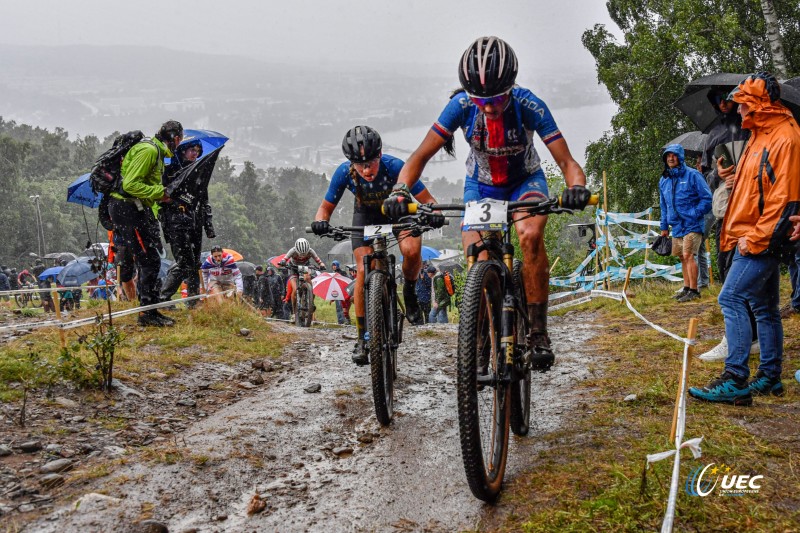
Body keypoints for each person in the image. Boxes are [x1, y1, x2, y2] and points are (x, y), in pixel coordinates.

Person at [383, 36, 591, 371]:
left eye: (496, 98)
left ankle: (538, 331)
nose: (489, 106)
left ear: (511, 86)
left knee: (529, 235)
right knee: (476, 255)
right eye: (481, 100)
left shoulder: (529, 104)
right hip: (480, 186)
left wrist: (576, 187)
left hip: (525, 180)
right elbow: (420, 156)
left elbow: (566, 161)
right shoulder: (462, 106)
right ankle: (476, 336)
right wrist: (399, 191)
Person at [689, 73, 800, 405]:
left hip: (762, 236)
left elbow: (785, 198)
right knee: (764, 307)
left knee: (731, 299)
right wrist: (729, 179)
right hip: (747, 231)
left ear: (759, 103)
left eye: (742, 104)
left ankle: (735, 376)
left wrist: (755, 238)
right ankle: (769, 377)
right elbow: (759, 187)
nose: (737, 111)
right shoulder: (759, 135)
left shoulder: (786, 137)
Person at [311, 125, 442, 365]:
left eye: (371, 162)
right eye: (359, 164)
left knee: (412, 251)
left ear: (380, 155)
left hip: (400, 213)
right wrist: (321, 222)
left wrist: (433, 212)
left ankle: (410, 291)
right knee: (362, 270)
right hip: (366, 217)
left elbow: (428, 200)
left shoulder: (396, 167)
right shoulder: (344, 173)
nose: (366, 169)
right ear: (351, 163)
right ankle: (362, 337)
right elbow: (325, 208)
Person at [697, 90, 754, 360]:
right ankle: (742, 335)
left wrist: (743, 177)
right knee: (725, 265)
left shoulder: (753, 126)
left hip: (752, 205)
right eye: (717, 99)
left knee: (743, 274)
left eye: (727, 98)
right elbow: (706, 174)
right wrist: (717, 176)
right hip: (725, 209)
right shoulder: (713, 135)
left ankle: (739, 338)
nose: (723, 103)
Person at [109, 120, 183, 327]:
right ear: (176, 138)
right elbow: (131, 184)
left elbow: (146, 185)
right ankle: (147, 313)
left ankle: (150, 310)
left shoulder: (157, 153)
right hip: (127, 209)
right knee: (148, 260)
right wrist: (161, 193)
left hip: (137, 208)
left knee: (150, 259)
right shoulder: (149, 151)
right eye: (180, 139)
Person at [159, 138, 215, 306]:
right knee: (184, 262)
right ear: (183, 150)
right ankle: (163, 298)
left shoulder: (199, 171)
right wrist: (177, 202)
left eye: (198, 151)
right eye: (192, 150)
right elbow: (162, 196)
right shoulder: (170, 170)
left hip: (195, 221)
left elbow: (204, 201)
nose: (195, 154)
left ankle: (193, 302)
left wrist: (208, 225)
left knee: (195, 263)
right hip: (175, 221)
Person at [658, 144, 712, 302]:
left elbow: (707, 199)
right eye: (668, 156)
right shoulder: (664, 180)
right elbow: (663, 205)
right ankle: (687, 288)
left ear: (680, 157)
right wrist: (664, 227)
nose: (670, 158)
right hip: (676, 225)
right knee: (682, 256)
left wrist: (694, 213)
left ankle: (695, 291)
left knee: (689, 255)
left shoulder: (693, 175)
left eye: (673, 155)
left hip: (693, 224)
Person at [280, 237, 325, 311]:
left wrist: (322, 265)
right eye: (300, 254)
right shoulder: (292, 251)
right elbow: (284, 259)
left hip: (305, 266)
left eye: (305, 254)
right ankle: (294, 313)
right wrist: (283, 262)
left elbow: (318, 261)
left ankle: (311, 300)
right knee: (295, 289)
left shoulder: (311, 251)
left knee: (308, 278)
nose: (302, 256)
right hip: (293, 268)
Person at [330, 260, 349, 325]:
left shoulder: (342, 272)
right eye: (333, 265)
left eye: (335, 265)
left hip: (342, 291)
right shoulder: (332, 274)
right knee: (338, 307)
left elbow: (346, 280)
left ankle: (346, 320)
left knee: (344, 306)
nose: (334, 267)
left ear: (337, 265)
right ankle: (340, 321)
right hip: (336, 292)